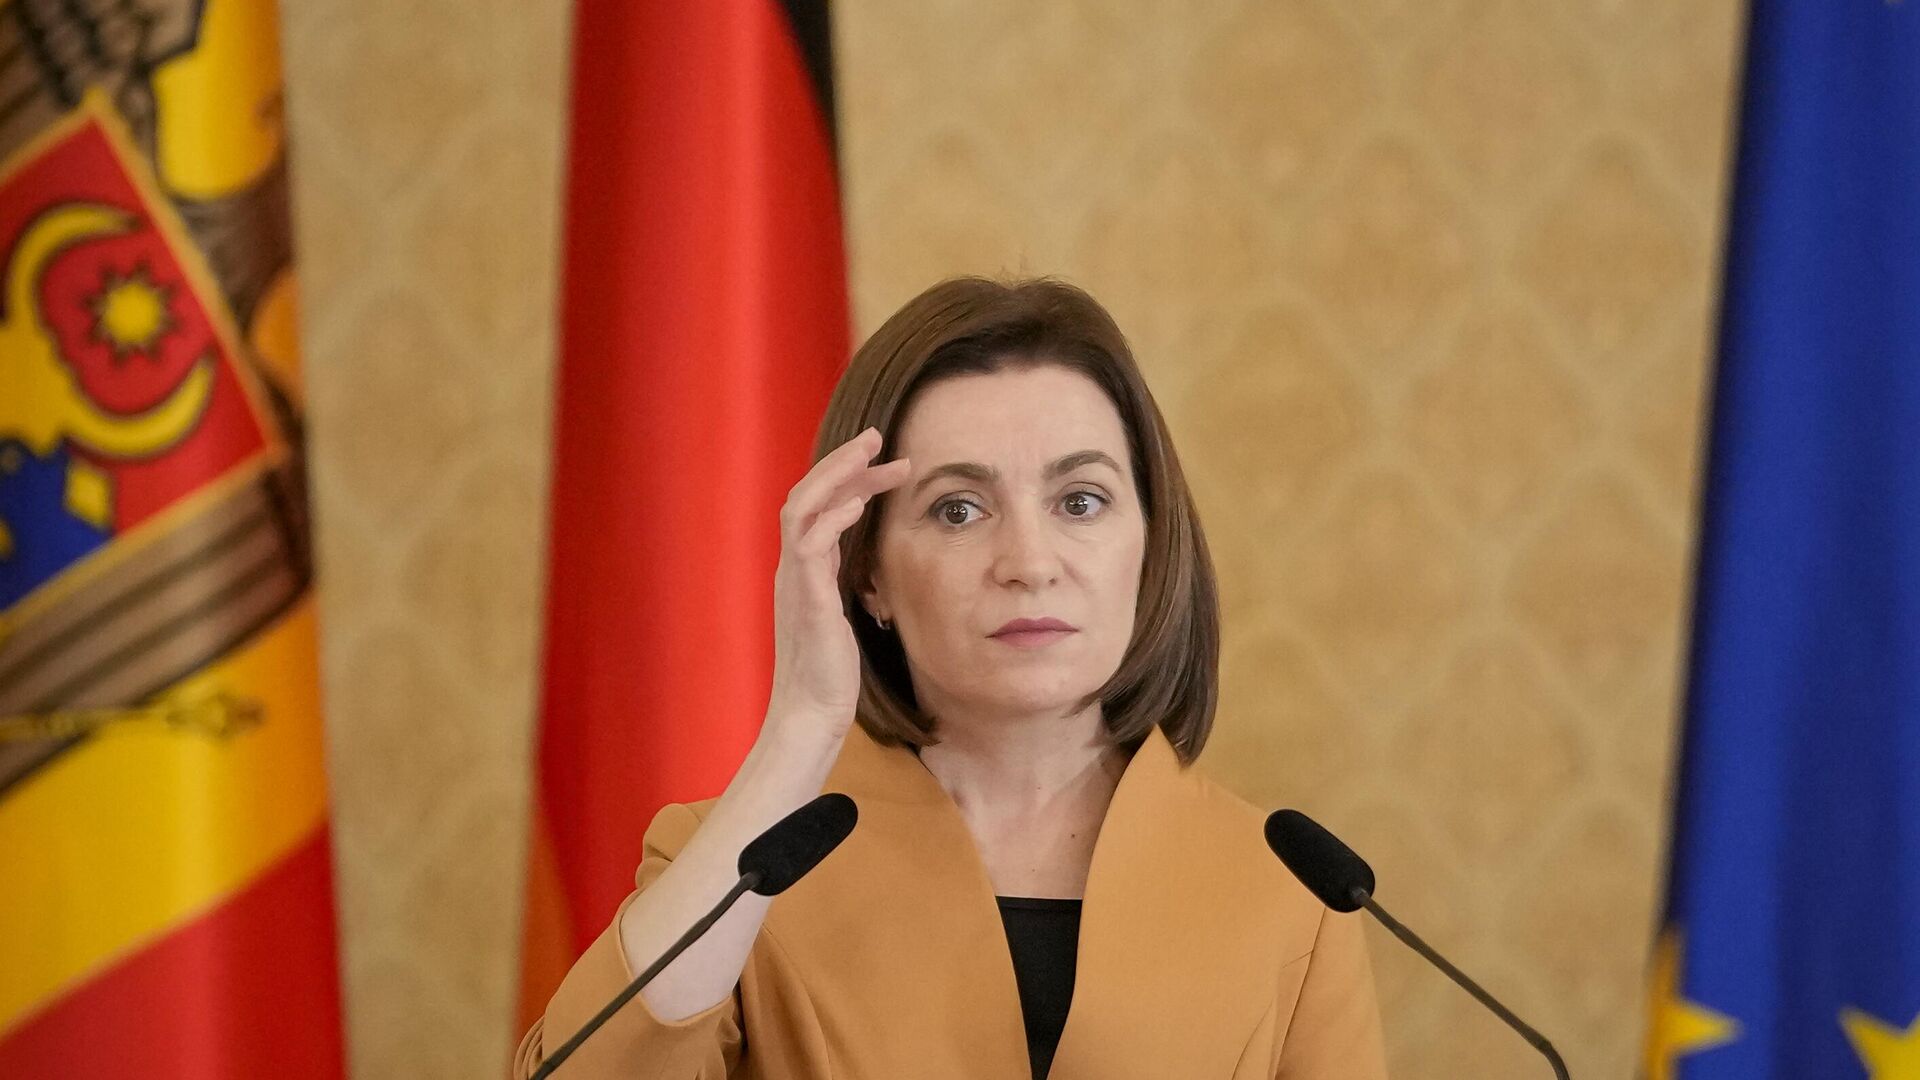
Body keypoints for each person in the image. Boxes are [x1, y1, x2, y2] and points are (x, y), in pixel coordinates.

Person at [512, 277, 1388, 1079]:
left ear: (1151, 543)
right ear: (867, 573)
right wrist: (803, 725)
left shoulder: (1296, 891)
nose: (1029, 562)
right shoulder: (742, 865)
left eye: (1080, 501)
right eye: (958, 509)